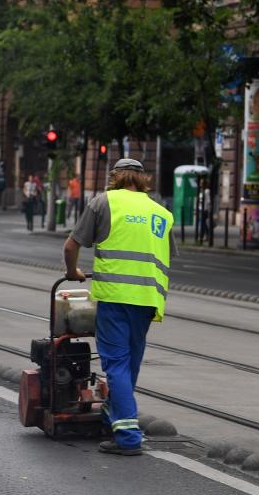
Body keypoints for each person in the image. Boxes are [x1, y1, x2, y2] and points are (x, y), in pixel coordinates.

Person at [64, 158, 175, 456]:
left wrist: (73, 272)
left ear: (114, 177)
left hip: (114, 297)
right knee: (129, 364)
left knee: (116, 364)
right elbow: (167, 254)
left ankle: (127, 436)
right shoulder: (162, 213)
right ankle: (114, 414)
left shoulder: (103, 203)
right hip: (148, 300)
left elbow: (71, 246)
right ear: (143, 180)